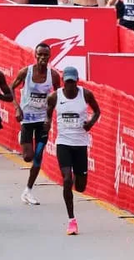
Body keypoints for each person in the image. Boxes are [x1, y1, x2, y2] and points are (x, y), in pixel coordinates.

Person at [46, 66, 101, 235]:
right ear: (63, 82)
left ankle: (79, 175)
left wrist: (90, 124)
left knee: (81, 187)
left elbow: (97, 111)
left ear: (77, 81)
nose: (70, 85)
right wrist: (47, 124)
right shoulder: (56, 96)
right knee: (67, 179)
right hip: (63, 143)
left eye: (72, 82)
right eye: (67, 82)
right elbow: (48, 113)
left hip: (80, 144)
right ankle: (72, 220)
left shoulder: (85, 94)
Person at [11, 43, 61, 205]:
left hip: (42, 120)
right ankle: (22, 137)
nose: (42, 58)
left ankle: (28, 190)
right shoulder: (26, 72)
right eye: (39, 55)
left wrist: (50, 117)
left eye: (45, 55)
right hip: (27, 118)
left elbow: (58, 96)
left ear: (49, 57)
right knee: (28, 157)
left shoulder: (53, 76)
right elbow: (10, 88)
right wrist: (17, 108)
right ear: (35, 55)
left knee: (38, 156)